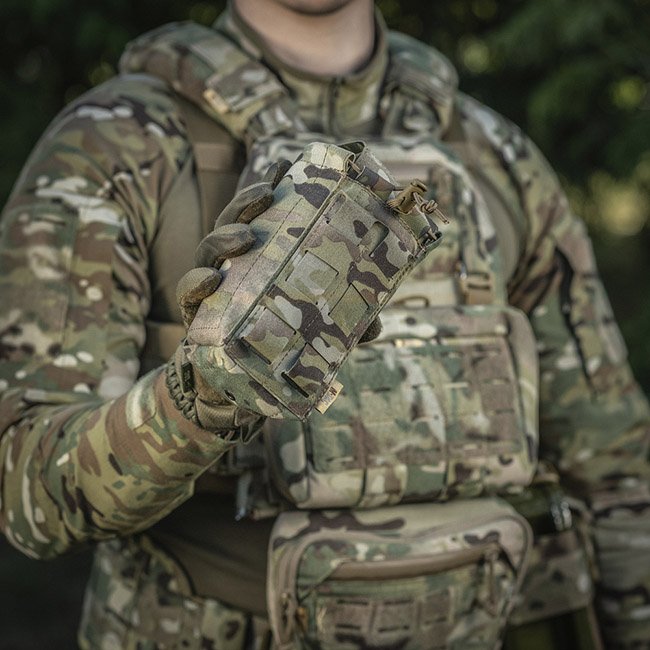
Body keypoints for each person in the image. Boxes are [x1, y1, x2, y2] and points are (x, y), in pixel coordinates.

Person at [0, 1, 648, 648]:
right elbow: (29, 494)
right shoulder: (115, 144)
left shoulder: (494, 155)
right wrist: (203, 395)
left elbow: (616, 469)